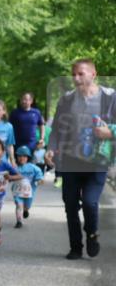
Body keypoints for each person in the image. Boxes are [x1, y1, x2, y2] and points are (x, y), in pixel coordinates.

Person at [46, 58, 116, 259]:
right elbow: (57, 129)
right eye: (73, 74)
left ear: (93, 74)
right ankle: (75, 247)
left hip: (98, 161)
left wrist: (110, 133)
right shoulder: (66, 100)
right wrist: (51, 149)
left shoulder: (110, 97)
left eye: (81, 74)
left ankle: (92, 234)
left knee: (89, 202)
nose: (76, 78)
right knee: (70, 204)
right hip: (71, 159)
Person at [12, 145, 44, 228]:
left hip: (29, 192)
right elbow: (8, 176)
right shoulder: (14, 168)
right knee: (19, 205)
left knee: (27, 206)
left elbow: (39, 176)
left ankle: (25, 210)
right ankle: (19, 221)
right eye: (19, 156)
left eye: (24, 156)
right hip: (17, 191)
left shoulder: (33, 168)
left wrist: (39, 180)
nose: (21, 158)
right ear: (16, 157)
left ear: (28, 157)